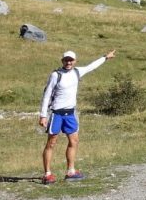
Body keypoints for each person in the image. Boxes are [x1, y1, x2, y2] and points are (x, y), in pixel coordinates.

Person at [38, 49, 115, 184]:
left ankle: (71, 171)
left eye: (71, 60)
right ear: (62, 61)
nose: (68, 62)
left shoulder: (78, 71)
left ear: (75, 61)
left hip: (71, 114)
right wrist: (43, 115)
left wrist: (105, 58)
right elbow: (47, 95)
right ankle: (47, 174)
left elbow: (91, 66)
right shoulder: (56, 75)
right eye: (66, 60)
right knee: (51, 142)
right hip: (57, 114)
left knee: (74, 142)